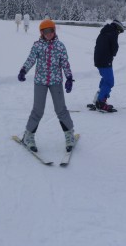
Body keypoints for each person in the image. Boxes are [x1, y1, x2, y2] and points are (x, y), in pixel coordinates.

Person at [18, 19, 76, 152]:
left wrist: (69, 78)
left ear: (54, 31)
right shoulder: (37, 46)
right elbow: (31, 59)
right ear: (41, 32)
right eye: (45, 31)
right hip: (40, 82)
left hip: (56, 82)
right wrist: (23, 70)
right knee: (37, 111)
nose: (48, 34)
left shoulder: (60, 46)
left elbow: (65, 63)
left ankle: (69, 135)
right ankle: (28, 136)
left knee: (61, 110)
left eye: (51, 31)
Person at [92, 19, 124, 111]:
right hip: (105, 60)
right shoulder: (113, 33)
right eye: (119, 32)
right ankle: (101, 102)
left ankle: (98, 98)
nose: (119, 34)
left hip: (98, 59)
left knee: (105, 79)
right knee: (109, 81)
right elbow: (114, 50)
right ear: (118, 28)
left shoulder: (104, 31)